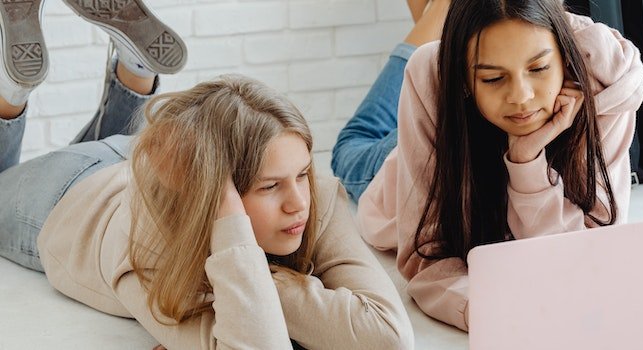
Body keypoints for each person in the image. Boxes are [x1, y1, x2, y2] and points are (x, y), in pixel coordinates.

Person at [0, 1, 413, 349]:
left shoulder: (312, 197)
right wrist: (233, 238)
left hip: (142, 154)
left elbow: (389, 335)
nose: (298, 202)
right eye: (269, 186)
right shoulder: (152, 246)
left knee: (122, 142)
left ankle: (135, 68)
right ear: (217, 191)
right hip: (64, 193)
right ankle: (10, 92)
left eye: (303, 173)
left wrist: (263, 281)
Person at [331, 0, 643, 331]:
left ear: (565, 60)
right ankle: (439, 10)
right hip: (408, 152)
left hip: (466, 108)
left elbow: (583, 259)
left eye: (539, 69)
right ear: (467, 82)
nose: (522, 97)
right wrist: (491, 312)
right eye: (493, 78)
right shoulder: (431, 76)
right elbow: (426, 260)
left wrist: (527, 160)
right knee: (349, 147)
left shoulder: (605, 82)